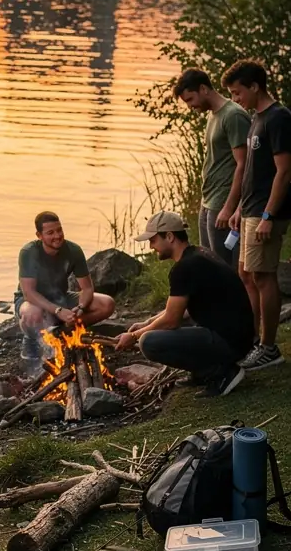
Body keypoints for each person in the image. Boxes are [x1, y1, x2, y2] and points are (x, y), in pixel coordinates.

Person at [115, 210, 253, 397]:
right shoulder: (199, 254)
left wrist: (134, 336)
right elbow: (180, 310)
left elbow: (171, 320)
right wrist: (147, 323)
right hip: (239, 337)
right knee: (154, 330)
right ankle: (203, 371)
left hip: (229, 341)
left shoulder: (185, 268)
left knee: (149, 342)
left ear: (169, 236)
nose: (150, 246)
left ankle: (221, 373)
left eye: (153, 240)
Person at [223, 58, 291, 371]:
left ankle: (268, 347)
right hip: (250, 211)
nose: (236, 100)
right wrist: (239, 208)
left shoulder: (278, 118)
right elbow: (253, 170)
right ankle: (252, 338)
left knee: (263, 276)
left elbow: (284, 171)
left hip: (266, 212)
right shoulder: (256, 118)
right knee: (247, 275)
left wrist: (267, 215)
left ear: (255, 86)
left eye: (238, 93)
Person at [173, 67, 249, 267]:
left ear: (204, 89)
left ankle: (233, 299)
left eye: (190, 100)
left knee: (225, 268)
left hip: (223, 203)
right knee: (210, 266)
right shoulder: (213, 114)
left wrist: (229, 207)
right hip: (208, 202)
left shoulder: (233, 115)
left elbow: (244, 164)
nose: (190, 106)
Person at [17, 212, 115, 359]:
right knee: (32, 314)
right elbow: (28, 293)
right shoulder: (29, 253)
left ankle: (63, 332)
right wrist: (58, 311)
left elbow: (87, 288)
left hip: (62, 297)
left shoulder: (73, 250)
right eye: (50, 233)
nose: (57, 236)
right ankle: (31, 340)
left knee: (107, 304)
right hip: (32, 301)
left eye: (59, 230)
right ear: (39, 235)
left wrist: (81, 307)